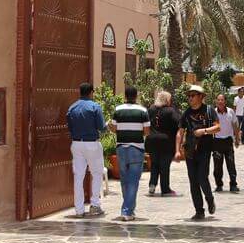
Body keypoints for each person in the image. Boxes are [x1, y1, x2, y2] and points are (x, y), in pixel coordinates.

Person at [175, 85, 220, 219]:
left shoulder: (209, 110)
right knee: (193, 181)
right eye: (189, 96)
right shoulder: (186, 113)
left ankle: (209, 198)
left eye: (193, 95)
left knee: (202, 177)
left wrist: (204, 131)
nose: (190, 98)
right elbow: (180, 132)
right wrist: (177, 150)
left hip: (204, 150)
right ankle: (199, 210)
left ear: (200, 96)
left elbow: (218, 127)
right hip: (190, 151)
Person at [110, 85, 150, 221]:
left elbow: (114, 128)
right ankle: (127, 211)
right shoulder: (143, 110)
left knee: (125, 180)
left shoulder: (118, 109)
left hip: (121, 148)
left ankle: (129, 209)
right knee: (133, 181)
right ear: (136, 96)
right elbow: (147, 131)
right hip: (136, 149)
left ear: (125, 96)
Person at [66, 82, 106, 218]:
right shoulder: (95, 107)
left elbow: (70, 127)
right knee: (97, 173)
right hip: (92, 144)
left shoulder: (72, 107)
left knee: (78, 176)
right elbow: (101, 127)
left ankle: (79, 210)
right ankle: (95, 205)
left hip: (77, 144)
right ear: (91, 92)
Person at [146, 90, 180, 196]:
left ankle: (152, 185)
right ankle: (165, 189)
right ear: (167, 100)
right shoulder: (170, 110)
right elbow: (179, 122)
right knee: (164, 165)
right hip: (166, 141)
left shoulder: (151, 109)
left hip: (152, 140)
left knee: (154, 163)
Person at [211, 93, 240, 193]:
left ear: (225, 101)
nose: (220, 102)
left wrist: (237, 139)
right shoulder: (213, 113)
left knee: (231, 164)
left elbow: (235, 125)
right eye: (218, 100)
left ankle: (233, 184)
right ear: (216, 101)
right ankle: (219, 185)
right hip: (217, 142)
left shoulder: (231, 111)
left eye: (222, 100)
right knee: (217, 166)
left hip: (228, 141)